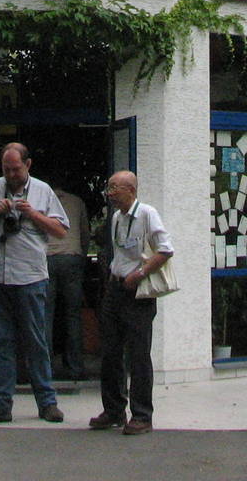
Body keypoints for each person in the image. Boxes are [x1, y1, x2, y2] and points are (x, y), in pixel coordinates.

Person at [0, 143, 68, 424]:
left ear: (28, 164)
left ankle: (47, 402)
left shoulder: (43, 191)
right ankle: (0, 404)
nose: (11, 174)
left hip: (30, 277)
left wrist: (32, 214)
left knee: (36, 341)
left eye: (16, 169)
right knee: (0, 342)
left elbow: (60, 231)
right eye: (6, 169)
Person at [89, 170, 173, 436]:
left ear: (131, 190)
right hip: (116, 287)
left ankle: (142, 415)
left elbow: (165, 249)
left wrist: (140, 273)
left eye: (115, 188)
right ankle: (113, 409)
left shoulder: (147, 214)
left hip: (137, 292)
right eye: (109, 188)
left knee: (138, 354)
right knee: (110, 351)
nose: (110, 193)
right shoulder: (116, 217)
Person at [46, 185, 90, 380]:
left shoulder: (41, 199)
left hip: (46, 259)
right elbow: (85, 233)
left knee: (45, 315)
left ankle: (44, 369)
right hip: (72, 258)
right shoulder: (77, 201)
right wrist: (81, 256)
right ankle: (75, 367)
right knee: (73, 315)